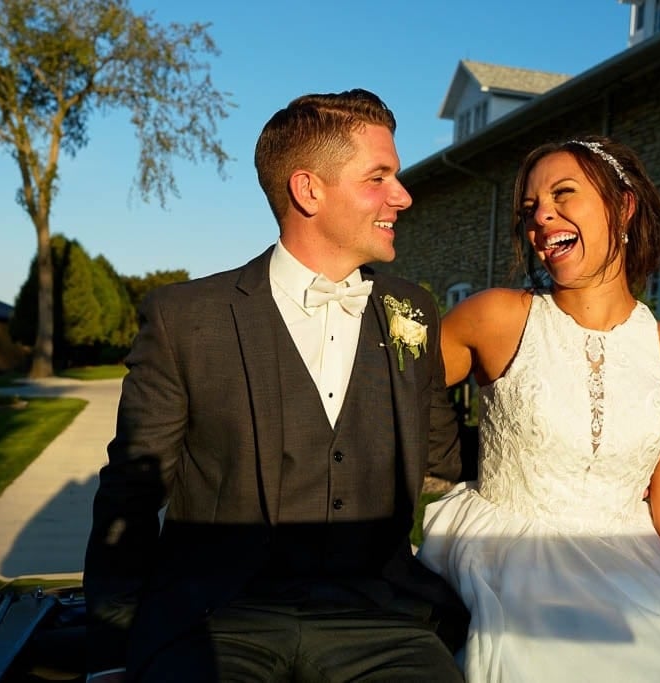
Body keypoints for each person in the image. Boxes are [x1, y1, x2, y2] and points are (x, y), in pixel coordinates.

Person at [83, 89, 468, 682]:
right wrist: (121, 623)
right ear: (308, 189)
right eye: (379, 177)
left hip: (378, 622)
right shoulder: (186, 317)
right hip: (218, 617)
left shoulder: (410, 308)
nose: (403, 196)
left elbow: (440, 456)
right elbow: (133, 487)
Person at [418, 136, 660, 681]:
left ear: (622, 207)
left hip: (634, 566)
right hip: (510, 556)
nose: (541, 217)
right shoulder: (497, 318)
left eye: (563, 194)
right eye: (529, 209)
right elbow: (383, 394)